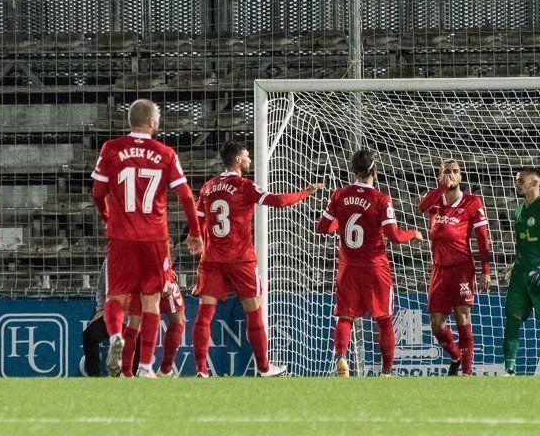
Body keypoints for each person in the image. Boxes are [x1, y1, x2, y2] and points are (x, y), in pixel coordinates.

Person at [91, 99, 202, 378]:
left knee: (116, 295)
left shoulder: (111, 149)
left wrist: (108, 218)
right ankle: (145, 367)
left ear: (131, 121)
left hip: (121, 235)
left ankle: (116, 335)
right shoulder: (165, 152)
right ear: (152, 122)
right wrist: (195, 232)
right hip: (154, 238)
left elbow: (96, 192)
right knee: (151, 300)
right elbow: (186, 195)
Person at [192, 140, 323, 378]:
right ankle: (264, 367)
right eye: (247, 156)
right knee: (253, 311)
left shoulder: (208, 187)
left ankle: (201, 369)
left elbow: (197, 217)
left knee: (204, 314)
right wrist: (306, 192)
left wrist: (196, 238)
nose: (250, 160)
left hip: (212, 258)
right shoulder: (244, 186)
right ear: (238, 160)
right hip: (241, 259)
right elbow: (278, 201)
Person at [316, 149, 423, 377]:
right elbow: (393, 236)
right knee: (384, 320)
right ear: (374, 169)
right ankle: (386, 373)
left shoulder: (339, 195)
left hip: (348, 268)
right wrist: (413, 233)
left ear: (353, 170)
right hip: (375, 268)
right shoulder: (381, 199)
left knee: (346, 317)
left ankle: (342, 358)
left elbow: (322, 227)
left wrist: (340, 225)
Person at [418, 159, 491, 376]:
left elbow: (483, 239)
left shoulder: (472, 202)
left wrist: (485, 271)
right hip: (439, 270)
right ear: (440, 176)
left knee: (463, 318)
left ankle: (467, 373)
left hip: (461, 269)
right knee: (436, 324)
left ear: (461, 177)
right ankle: (455, 356)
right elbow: (421, 207)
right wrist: (442, 187)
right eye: (446, 172)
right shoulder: (434, 201)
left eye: (455, 172)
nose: (451, 175)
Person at [502, 166, 540, 376]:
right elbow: (522, 243)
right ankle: (509, 370)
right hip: (521, 274)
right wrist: (515, 264)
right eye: (516, 180)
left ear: (534, 183)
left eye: (520, 181)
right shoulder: (518, 210)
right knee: (512, 321)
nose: (516, 184)